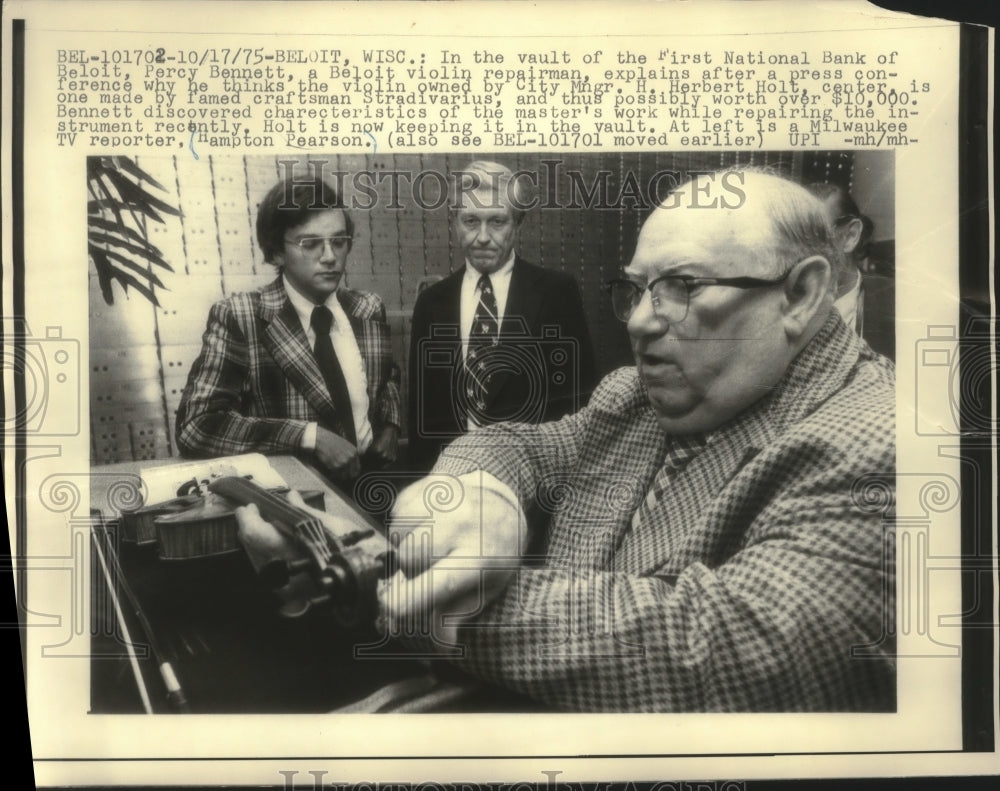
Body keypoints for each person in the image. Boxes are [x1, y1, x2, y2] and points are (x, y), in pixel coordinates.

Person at [176, 175, 400, 483]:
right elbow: (197, 427)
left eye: (338, 241)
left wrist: (390, 425)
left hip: (373, 488)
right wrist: (309, 436)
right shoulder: (241, 317)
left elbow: (385, 377)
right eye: (310, 244)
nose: (330, 257)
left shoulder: (367, 308)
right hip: (297, 499)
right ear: (277, 251)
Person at [406, 160, 597, 472]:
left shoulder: (556, 293)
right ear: (455, 223)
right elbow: (421, 416)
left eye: (496, 222)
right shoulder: (431, 303)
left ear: (517, 225)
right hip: (452, 481)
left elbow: (578, 403)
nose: (482, 237)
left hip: (535, 483)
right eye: (470, 221)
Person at [807, 182, 895, 360]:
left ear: (850, 236)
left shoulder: (897, 300)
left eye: (816, 235)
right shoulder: (776, 306)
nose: (800, 251)